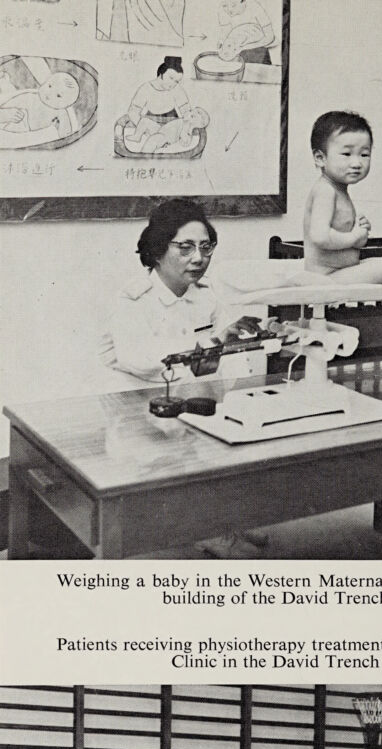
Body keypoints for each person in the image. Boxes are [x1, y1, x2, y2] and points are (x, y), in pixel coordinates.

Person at [99, 197, 268, 556]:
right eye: (186, 247)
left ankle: (223, 522)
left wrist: (236, 336)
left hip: (183, 402)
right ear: (158, 249)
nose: (198, 258)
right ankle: (209, 531)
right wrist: (208, 341)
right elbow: (140, 361)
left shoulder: (206, 296)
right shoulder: (132, 299)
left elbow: (220, 346)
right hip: (133, 416)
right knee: (190, 450)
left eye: (206, 247)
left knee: (223, 435)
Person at [303, 112, 382, 285]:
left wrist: (360, 233)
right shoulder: (325, 191)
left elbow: (341, 239)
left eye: (364, 154)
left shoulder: (338, 190)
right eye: (346, 154)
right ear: (320, 158)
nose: (356, 163)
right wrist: (354, 237)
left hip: (340, 273)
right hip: (326, 279)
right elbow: (320, 237)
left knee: (381, 265)